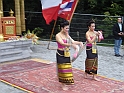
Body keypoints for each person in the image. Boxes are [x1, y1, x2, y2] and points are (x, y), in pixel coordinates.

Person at [55, 20, 83, 90]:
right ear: (62, 28)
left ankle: (66, 81)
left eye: (68, 28)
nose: (67, 29)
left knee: (67, 68)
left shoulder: (67, 35)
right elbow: (62, 43)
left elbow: (73, 41)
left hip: (67, 53)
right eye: (66, 28)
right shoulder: (58, 35)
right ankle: (62, 84)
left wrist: (79, 43)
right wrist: (72, 45)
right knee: (62, 69)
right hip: (60, 53)